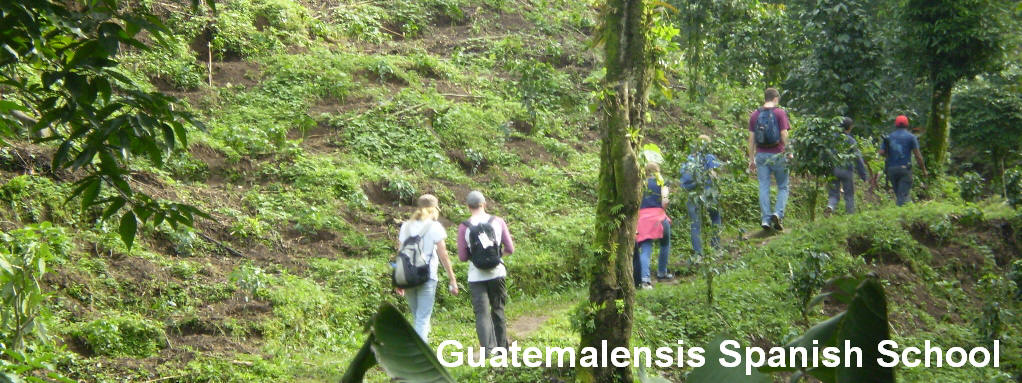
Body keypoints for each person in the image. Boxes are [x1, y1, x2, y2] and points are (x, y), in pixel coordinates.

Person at [394, 194, 458, 341]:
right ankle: (419, 356)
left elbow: (400, 253)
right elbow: (444, 255)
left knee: (418, 317)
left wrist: (399, 278)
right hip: (427, 277)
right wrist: (452, 279)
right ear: (434, 209)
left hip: (409, 276)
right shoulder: (435, 227)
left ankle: (420, 347)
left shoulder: (406, 226)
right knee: (423, 318)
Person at [457, 190, 515, 352]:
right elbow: (510, 249)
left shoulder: (464, 227)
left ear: (468, 206)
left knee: (482, 314)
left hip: (476, 277)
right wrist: (496, 257)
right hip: (497, 274)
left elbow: (462, 257)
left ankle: (488, 352)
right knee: (498, 309)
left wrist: (477, 260)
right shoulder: (498, 221)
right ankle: (503, 349)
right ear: (484, 204)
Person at [748, 88, 792, 231]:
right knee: (783, 186)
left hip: (761, 155)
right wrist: (789, 152)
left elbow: (751, 140)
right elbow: (784, 134)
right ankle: (778, 213)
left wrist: (751, 159)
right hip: (778, 154)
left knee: (764, 187)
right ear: (775, 98)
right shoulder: (780, 113)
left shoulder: (755, 115)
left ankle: (766, 219)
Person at [680, 135, 722, 258]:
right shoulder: (709, 157)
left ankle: (698, 255)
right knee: (715, 218)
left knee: (695, 224)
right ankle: (716, 249)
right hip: (709, 194)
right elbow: (714, 175)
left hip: (692, 195)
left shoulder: (688, 159)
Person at [634, 162, 672, 289]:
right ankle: (662, 273)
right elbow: (665, 201)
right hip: (660, 217)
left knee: (646, 249)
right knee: (665, 243)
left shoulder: (639, 184)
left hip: (643, 220)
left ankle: (645, 280)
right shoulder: (662, 182)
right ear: (657, 171)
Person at [879, 115, 928, 206]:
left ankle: (907, 212)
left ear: (896, 125)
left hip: (892, 170)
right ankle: (901, 217)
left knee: (900, 195)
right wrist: (924, 170)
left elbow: (881, 152)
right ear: (907, 125)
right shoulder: (911, 137)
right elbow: (918, 156)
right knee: (902, 195)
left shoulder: (889, 137)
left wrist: (889, 155)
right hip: (905, 170)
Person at [825, 117, 870, 215]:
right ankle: (850, 217)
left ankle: (830, 206)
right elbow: (858, 159)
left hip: (834, 169)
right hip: (847, 171)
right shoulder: (851, 141)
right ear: (850, 127)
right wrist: (863, 176)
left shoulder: (832, 139)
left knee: (833, 194)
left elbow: (826, 154)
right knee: (849, 195)